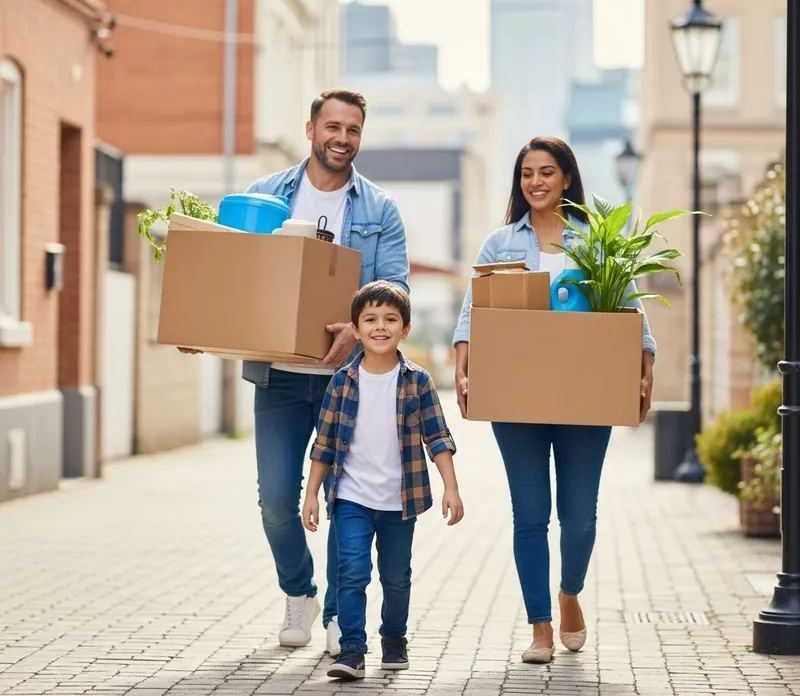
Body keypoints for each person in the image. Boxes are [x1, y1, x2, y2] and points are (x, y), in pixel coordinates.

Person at [181, 90, 409, 655]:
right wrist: (200, 322)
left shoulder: (379, 210)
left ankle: (338, 614)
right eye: (332, 126)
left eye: (353, 129)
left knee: (343, 504)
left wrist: (359, 327)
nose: (342, 138)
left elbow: (398, 286)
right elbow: (230, 275)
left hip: (347, 383)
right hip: (277, 378)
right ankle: (299, 593)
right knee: (278, 500)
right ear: (310, 129)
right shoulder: (263, 196)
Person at [452, 137, 656, 665]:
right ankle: (539, 624)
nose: (536, 182)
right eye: (526, 173)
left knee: (580, 517)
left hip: (585, 394)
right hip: (518, 395)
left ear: (567, 177)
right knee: (530, 515)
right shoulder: (500, 243)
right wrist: (464, 362)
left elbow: (630, 307)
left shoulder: (596, 241)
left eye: (546, 172)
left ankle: (569, 593)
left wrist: (644, 365)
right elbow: (475, 309)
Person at [302, 281, 463, 681]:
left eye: (390, 319)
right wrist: (310, 495)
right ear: (355, 329)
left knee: (396, 577)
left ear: (405, 329)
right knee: (352, 572)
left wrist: (452, 487)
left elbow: (437, 437)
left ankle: (394, 638)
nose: (380, 326)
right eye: (370, 319)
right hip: (351, 497)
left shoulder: (418, 381)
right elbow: (323, 443)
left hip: (400, 499)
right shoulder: (341, 382)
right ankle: (353, 649)